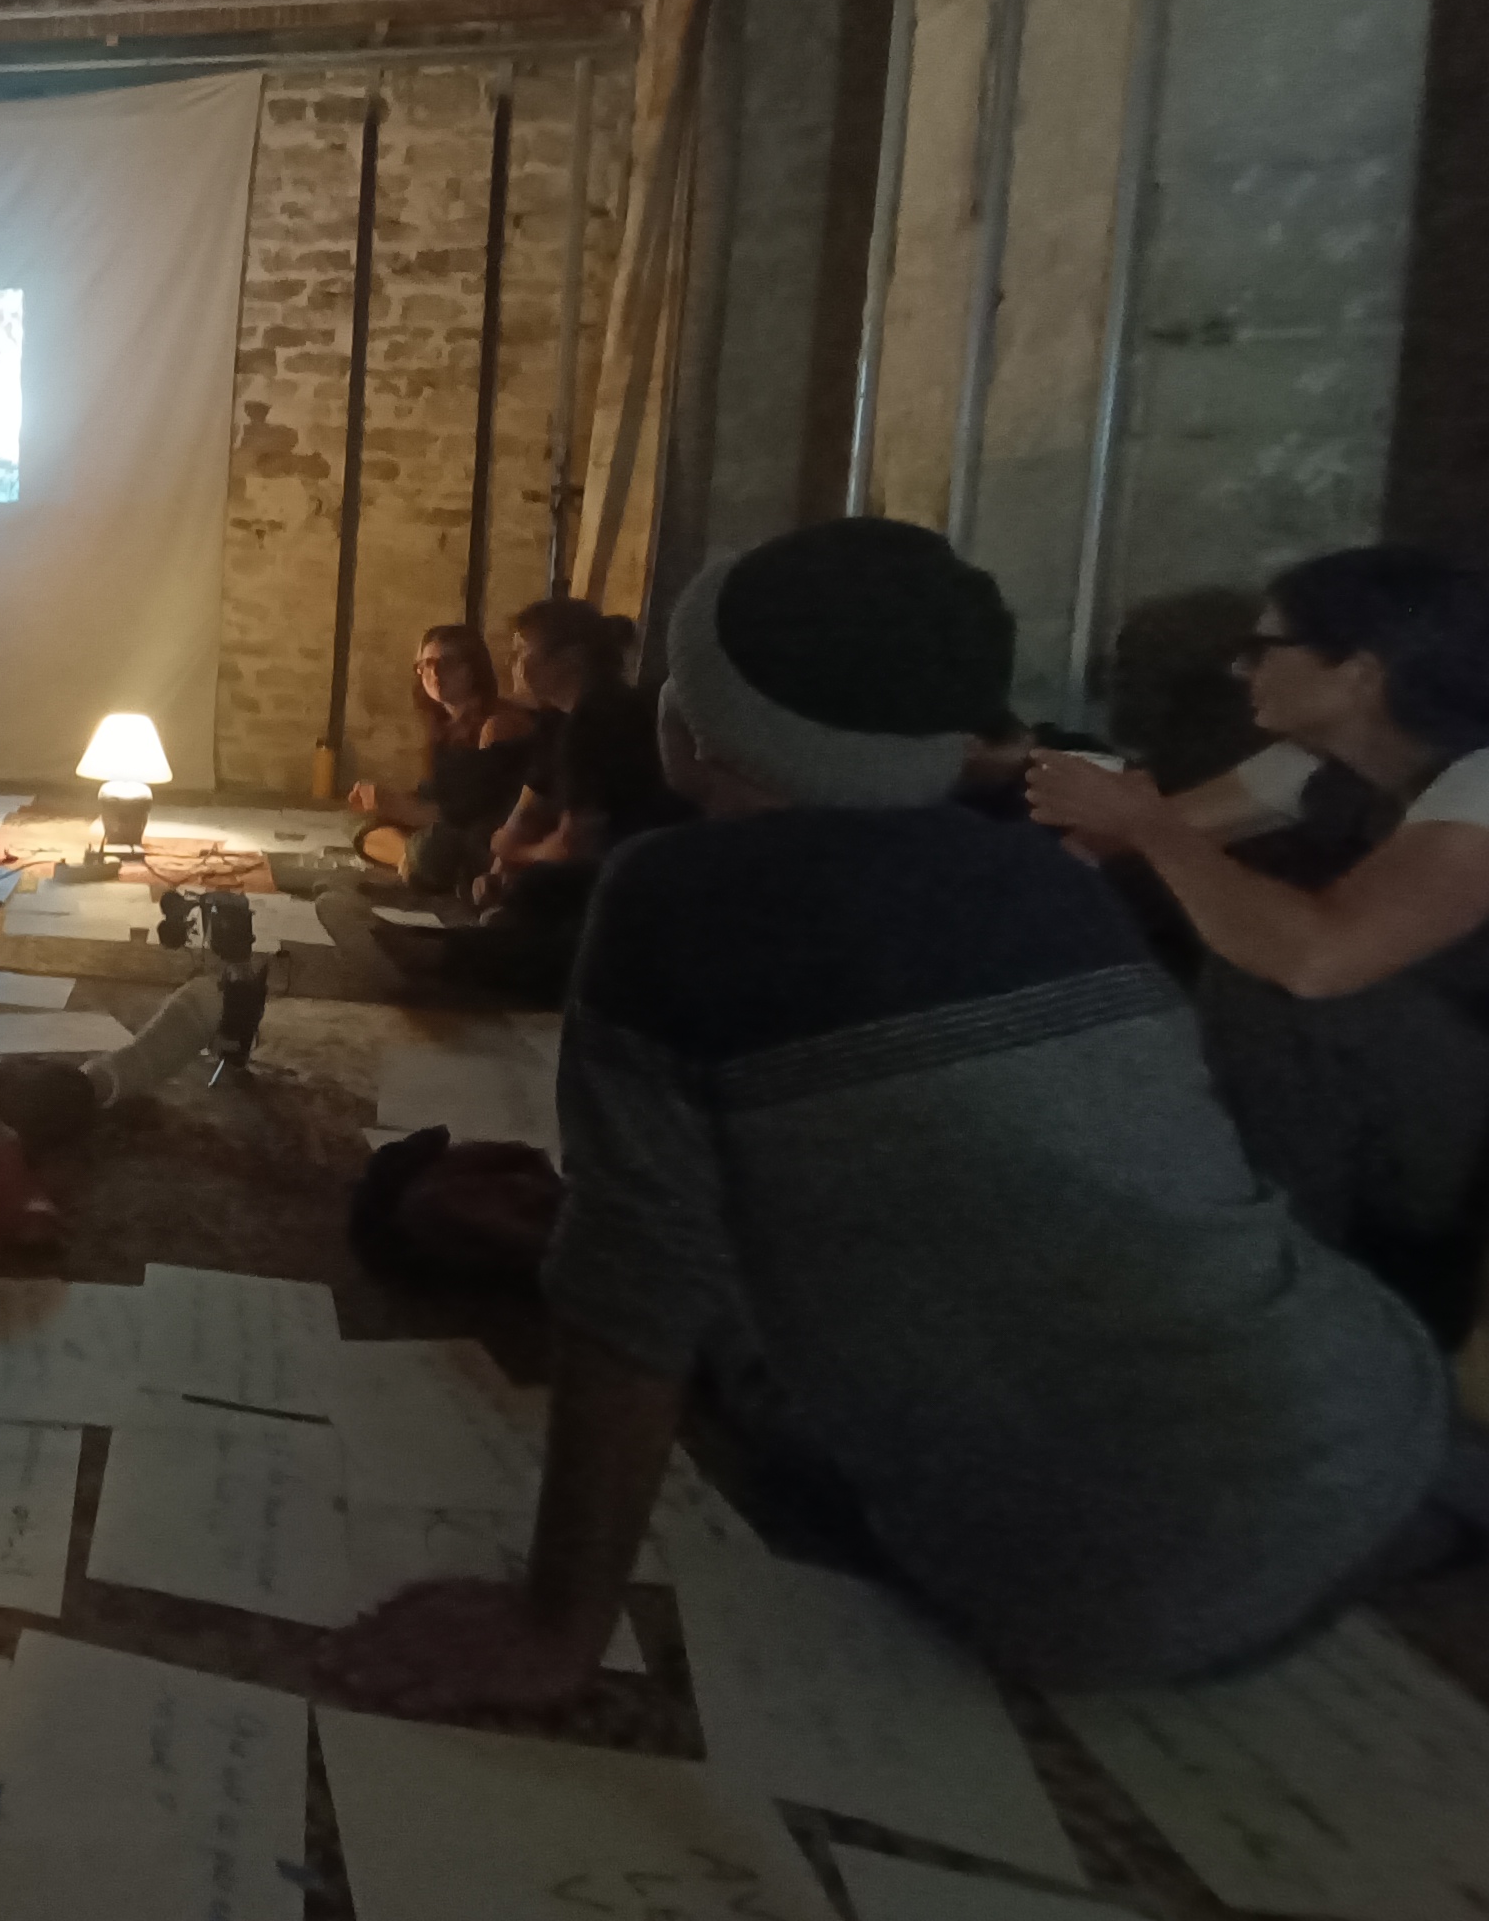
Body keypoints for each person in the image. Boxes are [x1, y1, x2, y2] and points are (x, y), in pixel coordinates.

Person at [330, 520, 1447, 1710]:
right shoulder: (1044, 876)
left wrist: (555, 1625)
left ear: (698, 724)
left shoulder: (678, 897)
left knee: (792, 1430)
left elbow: (631, 1287)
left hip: (1117, 1581)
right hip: (1377, 1433)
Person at [1029, 546, 1489, 1342]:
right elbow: (1128, 840)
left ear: (1360, 673)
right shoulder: (1323, 761)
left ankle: (1281, 1283)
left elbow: (1317, 960)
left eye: (1265, 647)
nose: (1240, 670)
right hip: (1440, 1091)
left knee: (1271, 983)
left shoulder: (1481, 785)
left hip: (1467, 1141)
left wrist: (1147, 826)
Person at [316, 597, 687, 1006]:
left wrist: (515, 854)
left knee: (571, 925)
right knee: (523, 891)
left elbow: (575, 842)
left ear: (570, 658)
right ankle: (417, 943)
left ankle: (425, 955)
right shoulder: (557, 720)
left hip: (641, 879)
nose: (513, 664)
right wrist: (500, 868)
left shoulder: (602, 716)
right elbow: (527, 810)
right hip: (590, 866)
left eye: (523, 652)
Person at [346, 623, 544, 893]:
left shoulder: (496, 726)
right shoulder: (444, 726)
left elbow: (468, 812)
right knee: (360, 826)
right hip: (448, 825)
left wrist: (398, 806)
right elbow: (435, 793)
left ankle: (419, 862)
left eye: (447, 663)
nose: (435, 673)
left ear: (473, 669)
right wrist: (384, 800)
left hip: (488, 833)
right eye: (426, 665)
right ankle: (409, 859)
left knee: (434, 846)